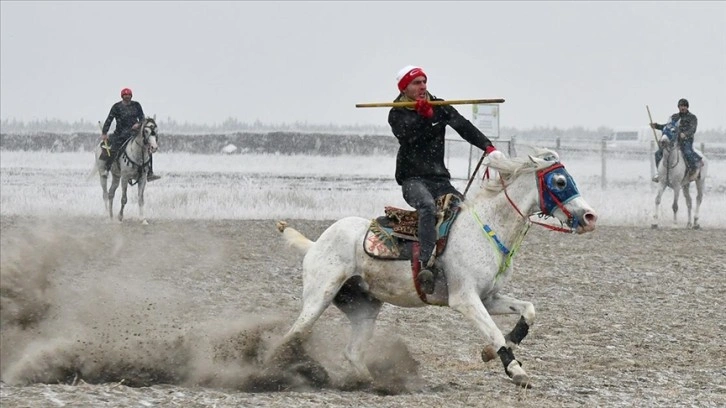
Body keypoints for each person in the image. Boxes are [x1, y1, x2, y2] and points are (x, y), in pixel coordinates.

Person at [388, 65, 504, 294]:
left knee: (465, 210)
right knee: (427, 207)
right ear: (405, 88)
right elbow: (409, 137)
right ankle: (426, 265)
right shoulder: (397, 112)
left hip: (439, 179)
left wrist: (488, 146)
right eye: (416, 83)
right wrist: (424, 118)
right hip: (413, 180)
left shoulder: (439, 106)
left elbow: (464, 127)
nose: (422, 86)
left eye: (424, 81)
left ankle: (462, 259)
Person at [101, 87, 160, 181]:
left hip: (135, 133)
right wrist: (104, 132)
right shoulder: (116, 107)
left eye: (129, 95)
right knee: (112, 148)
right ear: (122, 97)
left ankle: (150, 172)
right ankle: (106, 169)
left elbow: (142, 118)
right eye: (125, 95)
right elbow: (109, 119)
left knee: (147, 148)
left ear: (131, 96)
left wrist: (139, 124)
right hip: (120, 133)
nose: (127, 97)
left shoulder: (136, 105)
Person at [650, 98, 700, 182]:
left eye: (684, 106)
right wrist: (657, 126)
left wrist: (685, 134)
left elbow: (693, 129)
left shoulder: (692, 117)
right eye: (681, 106)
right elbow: (668, 126)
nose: (682, 107)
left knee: (687, 152)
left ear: (687, 107)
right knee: (658, 153)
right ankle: (659, 173)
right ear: (678, 107)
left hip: (686, 140)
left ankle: (693, 170)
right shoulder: (675, 117)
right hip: (674, 140)